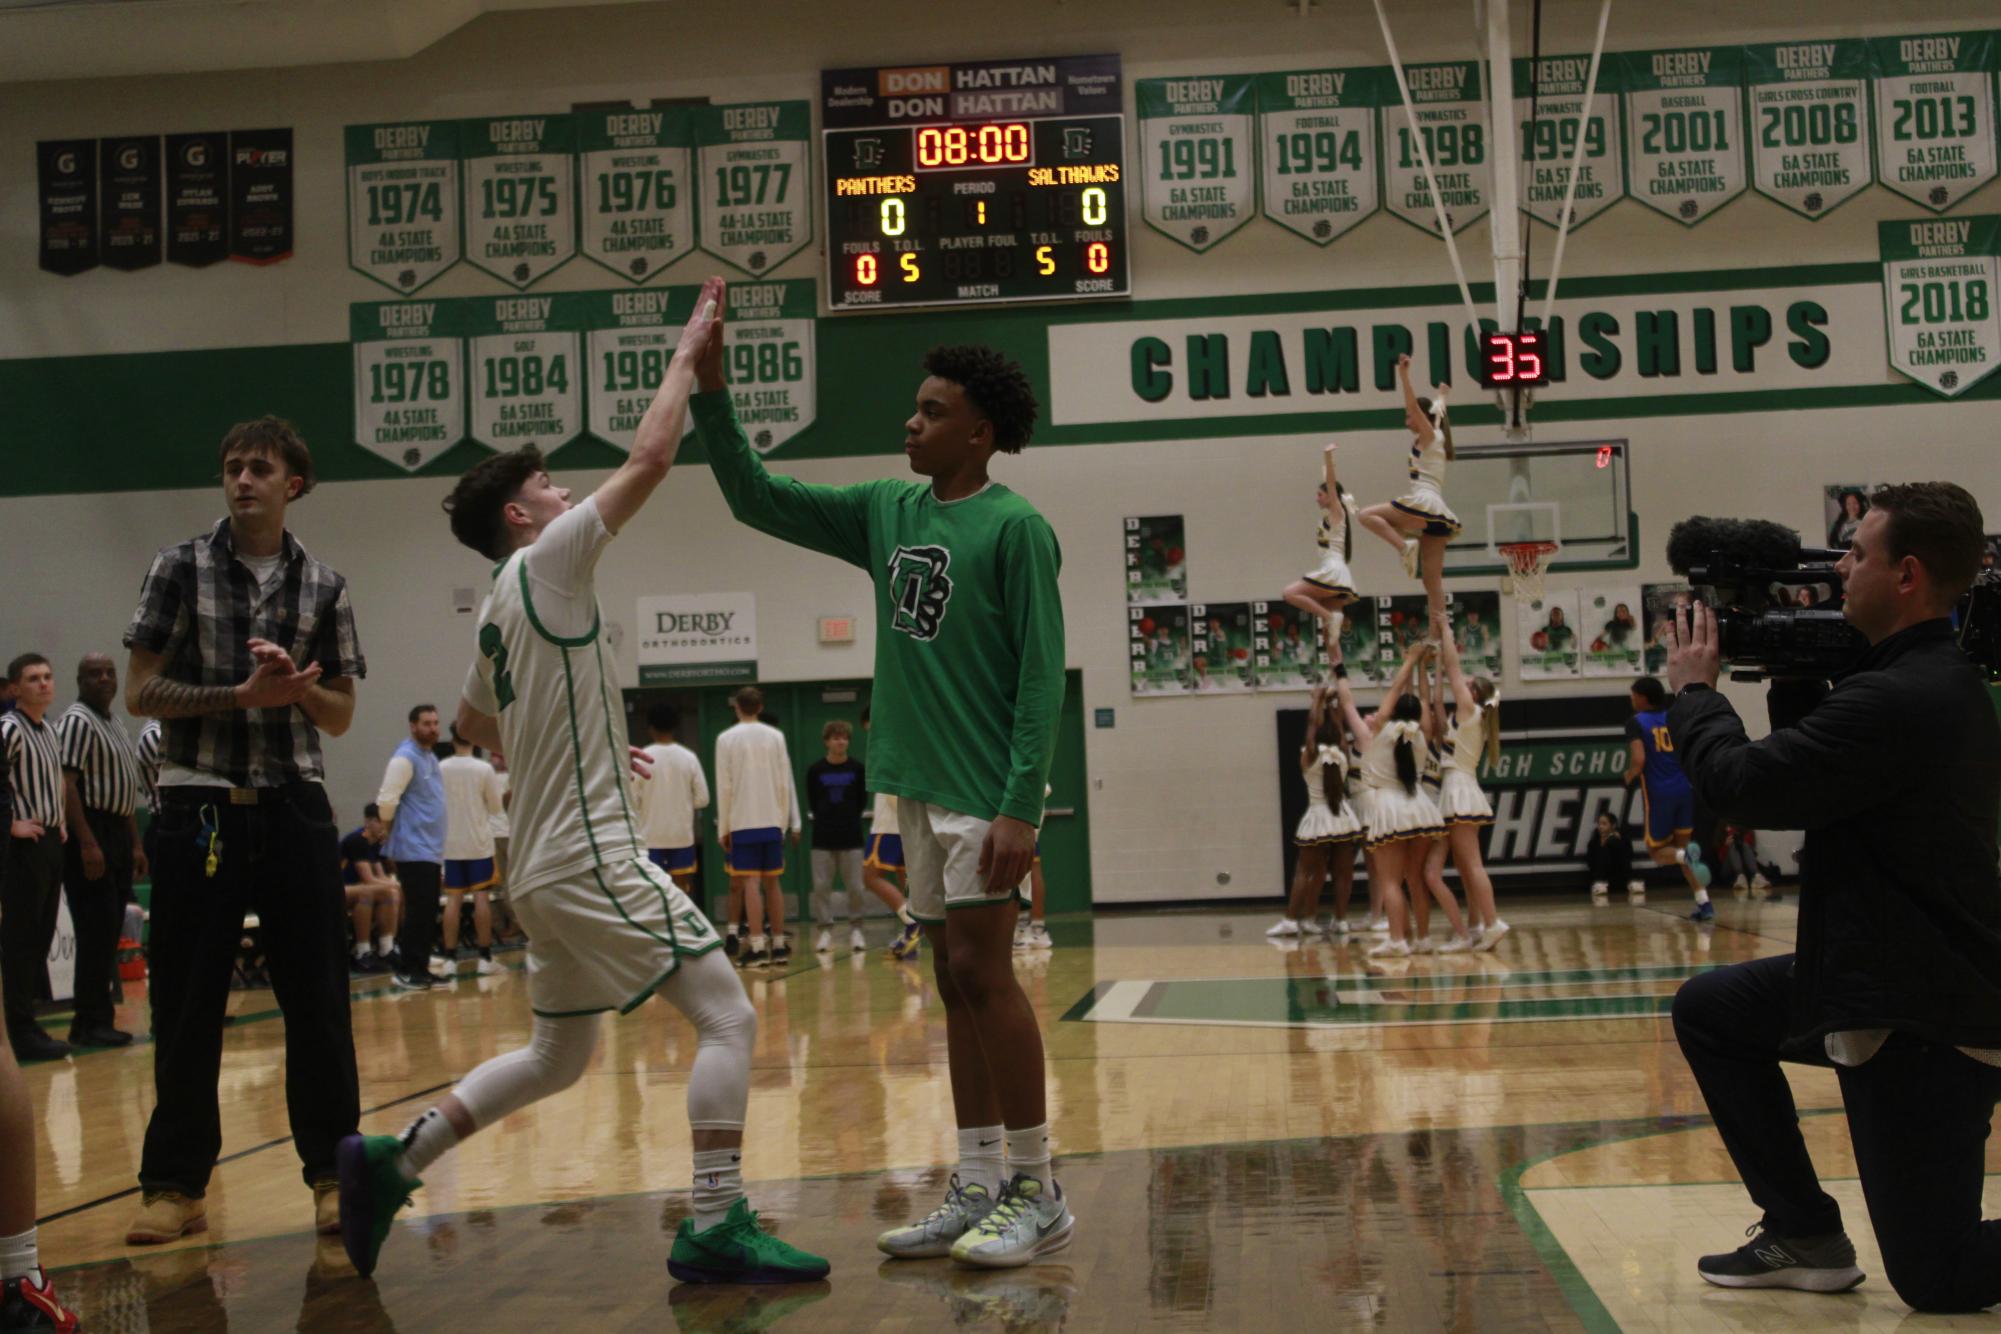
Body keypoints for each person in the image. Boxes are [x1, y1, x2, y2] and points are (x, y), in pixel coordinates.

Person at [339, 276, 827, 1286]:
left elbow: (476, 723)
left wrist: (589, 739)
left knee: (560, 1057)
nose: (567, 493)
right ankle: (715, 1218)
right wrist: (689, 355)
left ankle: (396, 1156)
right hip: (590, 854)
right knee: (730, 1013)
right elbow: (652, 457)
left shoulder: (492, 615)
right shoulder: (548, 560)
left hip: (541, 869)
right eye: (553, 485)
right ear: (524, 514)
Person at [695, 325, 1071, 1268]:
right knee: (951, 983)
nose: (910, 422)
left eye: (932, 412)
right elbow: (752, 496)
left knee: (988, 977)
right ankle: (978, 1178)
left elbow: (1039, 678)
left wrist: (1022, 803)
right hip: (913, 782)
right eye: (916, 407)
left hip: (985, 792)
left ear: (978, 433)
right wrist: (711, 392)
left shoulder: (1017, 528)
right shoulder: (883, 510)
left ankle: (1038, 1185)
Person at [1664, 481, 2001, 1312]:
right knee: (1715, 1010)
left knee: (1939, 1277)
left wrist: (1696, 696)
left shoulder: (1900, 699)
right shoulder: (1912, 679)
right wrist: (1794, 671)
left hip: (1921, 1016)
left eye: (1855, 553)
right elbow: (1824, 777)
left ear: (1908, 575)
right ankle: (1803, 1230)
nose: (1837, 567)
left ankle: (1817, 1233)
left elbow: (1743, 786)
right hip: (1873, 974)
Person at [122, 414, 364, 1246]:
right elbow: (139, 693)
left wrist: (297, 689)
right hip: (198, 806)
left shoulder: (324, 586)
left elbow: (338, 716)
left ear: (292, 483)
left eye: (259, 467)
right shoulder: (178, 567)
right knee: (189, 1006)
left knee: (319, 1005)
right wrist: (237, 696)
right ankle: (175, 1187)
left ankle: (335, 1176)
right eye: (232, 467)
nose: (241, 479)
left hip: (295, 807)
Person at [1329, 641, 1440, 958]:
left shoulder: (1376, 732)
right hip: (1419, 807)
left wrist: (1410, 660)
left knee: (1390, 881)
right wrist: (1421, 667)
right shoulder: (1422, 732)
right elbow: (1420, 702)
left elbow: (1391, 693)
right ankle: (1423, 939)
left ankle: (1397, 940)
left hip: (1389, 808)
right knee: (1416, 879)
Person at [57, 653, 146, 1048]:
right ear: (80, 680)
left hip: (117, 831)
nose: (105, 679)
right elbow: (68, 784)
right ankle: (88, 1022)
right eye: (95, 674)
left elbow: (124, 791)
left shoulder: (115, 723)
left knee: (109, 928)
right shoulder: (77, 720)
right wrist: (87, 840)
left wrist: (136, 843)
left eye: (110, 673)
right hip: (90, 828)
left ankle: (98, 1019)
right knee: (96, 929)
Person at [1, 656, 69, 1063]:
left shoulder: (50, 729)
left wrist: (58, 819)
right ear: (14, 689)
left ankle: (26, 1024)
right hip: (24, 848)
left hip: (49, 841)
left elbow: (55, 778)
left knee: (39, 939)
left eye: (47, 676)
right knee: (22, 942)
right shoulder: (9, 728)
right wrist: (12, 825)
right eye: (32, 679)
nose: (43, 684)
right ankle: (19, 1032)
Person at [1357, 353, 1458, 620]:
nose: (1406, 420)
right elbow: (1439, 409)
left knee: (1366, 516)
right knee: (1432, 583)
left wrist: (1403, 375)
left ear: (1422, 417)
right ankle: (1440, 635)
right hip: (1439, 514)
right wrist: (1442, 394)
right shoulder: (1437, 432)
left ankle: (1405, 547)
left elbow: (1415, 408)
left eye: (1408, 417)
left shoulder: (1428, 435)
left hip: (1424, 502)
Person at [714, 687, 800, 968]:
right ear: (760, 707)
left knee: (751, 883)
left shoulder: (725, 739)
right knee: (773, 883)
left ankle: (758, 946)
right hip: (772, 821)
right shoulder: (776, 737)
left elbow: (724, 787)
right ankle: (778, 944)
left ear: (737, 707)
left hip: (742, 821)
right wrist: (783, 824)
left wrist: (723, 828)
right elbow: (784, 783)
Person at [1269, 684, 1363, 939]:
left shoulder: (1308, 755)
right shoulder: (1343, 754)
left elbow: (1312, 728)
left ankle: (1292, 920)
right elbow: (1340, 730)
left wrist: (1317, 700)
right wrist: (1331, 705)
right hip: (1342, 818)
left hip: (1318, 817)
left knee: (1305, 871)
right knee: (1343, 872)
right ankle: (1340, 920)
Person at [1437, 620, 1507, 950]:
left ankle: (1492, 922)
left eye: (1466, 684)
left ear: (1474, 693)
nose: (1460, 685)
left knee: (1473, 865)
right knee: (1466, 866)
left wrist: (1446, 631)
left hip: (1460, 790)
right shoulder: (1467, 717)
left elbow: (1453, 667)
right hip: (1460, 788)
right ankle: (1477, 925)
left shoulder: (1470, 710)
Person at [1624, 676, 1713, 919]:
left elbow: (1639, 759)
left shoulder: (1637, 723)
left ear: (1643, 697)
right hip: (1685, 789)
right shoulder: (1675, 717)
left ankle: (1685, 856)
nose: (1631, 699)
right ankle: (1704, 903)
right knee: (1683, 848)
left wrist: (1630, 774)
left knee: (1658, 853)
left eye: (1633, 695)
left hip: (1659, 793)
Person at [376, 705, 447, 990]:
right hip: (413, 848)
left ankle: (421, 967)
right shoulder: (405, 758)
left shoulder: (429, 756)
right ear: (413, 726)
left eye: (436, 723)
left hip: (429, 849)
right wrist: (390, 830)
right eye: (427, 723)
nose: (433, 728)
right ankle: (407, 970)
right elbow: (386, 800)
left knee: (427, 911)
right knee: (418, 910)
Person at [1280, 443, 1361, 648]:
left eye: (1320, 494)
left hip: (1333, 571)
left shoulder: (1337, 513)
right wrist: (1326, 468)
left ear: (1331, 497)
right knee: (1331, 644)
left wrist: (1328, 458)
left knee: (1289, 593)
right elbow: (1330, 483)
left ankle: (1329, 617)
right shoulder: (1331, 516)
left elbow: (1332, 484)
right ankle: (1339, 675)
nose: (1316, 498)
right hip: (1334, 571)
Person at [439, 728, 505, 975]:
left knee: (453, 901)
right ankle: (485, 958)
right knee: (481, 899)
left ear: (452, 738)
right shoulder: (483, 769)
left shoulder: (441, 768)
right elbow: (497, 807)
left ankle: (449, 959)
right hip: (478, 844)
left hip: (451, 844)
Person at [805, 720, 868, 954]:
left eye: (844, 737)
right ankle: (825, 930)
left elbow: (862, 801)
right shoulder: (815, 770)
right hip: (822, 838)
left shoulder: (858, 769)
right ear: (827, 741)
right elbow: (812, 800)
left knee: (855, 887)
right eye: (835, 737)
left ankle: (856, 928)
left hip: (851, 836)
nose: (840, 741)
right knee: (821, 887)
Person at [636, 702, 709, 896]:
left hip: (650, 837)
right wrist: (682, 803)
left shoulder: (642, 757)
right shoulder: (689, 757)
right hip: (681, 835)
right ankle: (681, 926)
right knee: (681, 889)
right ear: (675, 726)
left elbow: (632, 801)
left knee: (653, 889)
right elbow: (703, 799)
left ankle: (657, 925)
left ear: (650, 728)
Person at [862, 765, 923, 963]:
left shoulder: (888, 739)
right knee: (904, 880)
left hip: (889, 823)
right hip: (908, 821)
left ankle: (912, 923)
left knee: (870, 877)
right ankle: (911, 940)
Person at [339, 805, 400, 975]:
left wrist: (394, 885)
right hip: (337, 888)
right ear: (369, 822)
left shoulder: (375, 844)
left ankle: (388, 946)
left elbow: (380, 876)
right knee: (370, 892)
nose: (384, 827)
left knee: (391, 892)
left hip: (354, 888)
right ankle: (361, 951)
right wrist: (394, 885)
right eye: (380, 822)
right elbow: (368, 879)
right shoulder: (357, 840)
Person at [1584, 811, 1632, 901]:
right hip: (1599, 880)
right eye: (1599, 824)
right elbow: (1590, 860)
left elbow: (1628, 857)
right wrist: (1602, 845)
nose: (1600, 827)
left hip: (1618, 878)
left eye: (1604, 824)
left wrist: (1617, 842)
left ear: (1613, 825)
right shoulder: (1594, 840)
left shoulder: (1621, 838)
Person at [1717, 824, 1772, 897]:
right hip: (1728, 868)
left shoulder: (1745, 826)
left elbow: (1751, 850)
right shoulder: (1721, 828)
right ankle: (1740, 876)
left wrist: (1741, 841)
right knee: (1733, 845)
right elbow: (1719, 857)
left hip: (1746, 866)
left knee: (1744, 845)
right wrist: (1726, 845)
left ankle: (1756, 876)